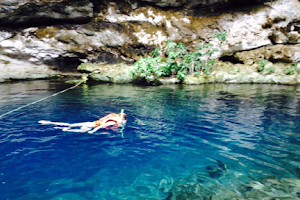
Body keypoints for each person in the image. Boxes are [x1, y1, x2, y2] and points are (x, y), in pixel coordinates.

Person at [39, 111, 127, 134]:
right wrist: (93, 131)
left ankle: (49, 122)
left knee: (70, 124)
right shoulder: (112, 122)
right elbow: (100, 127)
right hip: (91, 127)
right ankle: (63, 129)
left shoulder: (113, 117)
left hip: (90, 123)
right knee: (79, 131)